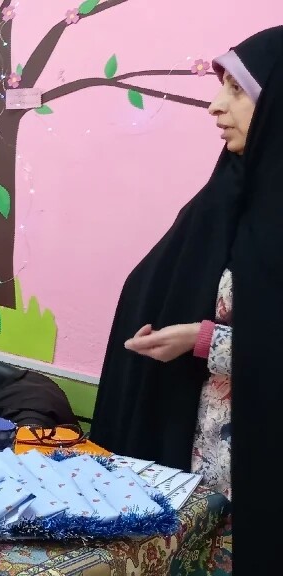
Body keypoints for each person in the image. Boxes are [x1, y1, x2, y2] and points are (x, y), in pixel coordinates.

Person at [92, 26, 283, 573]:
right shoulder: (230, 196)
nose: (216, 105)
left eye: (238, 90)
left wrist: (201, 340)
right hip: (195, 479)